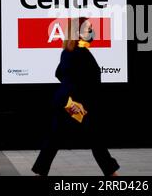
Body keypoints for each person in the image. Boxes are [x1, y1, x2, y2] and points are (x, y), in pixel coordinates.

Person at [32, 17, 120, 176]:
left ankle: (40, 172)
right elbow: (70, 79)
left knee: (54, 140)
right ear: (78, 32)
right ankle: (112, 174)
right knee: (95, 140)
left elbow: (59, 73)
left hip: (69, 103)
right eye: (88, 28)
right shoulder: (80, 53)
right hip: (77, 105)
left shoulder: (68, 52)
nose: (92, 32)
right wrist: (74, 100)